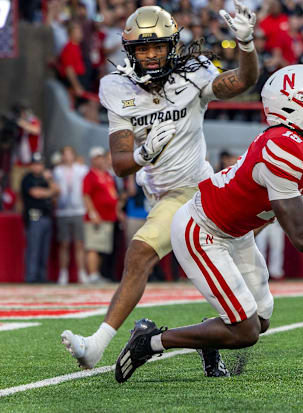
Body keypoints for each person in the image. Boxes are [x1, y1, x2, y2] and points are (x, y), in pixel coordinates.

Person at [113, 64, 303, 383]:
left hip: (236, 233)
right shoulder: (282, 146)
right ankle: (150, 341)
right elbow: (302, 237)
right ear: (290, 105)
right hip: (202, 229)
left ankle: (208, 338)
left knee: (261, 319)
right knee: (246, 330)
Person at [61, 2, 260, 372]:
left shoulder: (193, 74)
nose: (151, 55)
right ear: (129, 51)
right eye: (142, 48)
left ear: (172, 47)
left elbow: (242, 82)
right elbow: (120, 164)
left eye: (158, 47)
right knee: (142, 256)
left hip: (198, 190)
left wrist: (246, 45)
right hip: (166, 194)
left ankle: (113, 345)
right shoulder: (117, 88)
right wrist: (144, 151)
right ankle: (103, 345)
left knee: (257, 323)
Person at [83, 146, 120, 284]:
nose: (101, 160)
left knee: (101, 248)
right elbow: (86, 196)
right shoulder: (90, 176)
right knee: (93, 247)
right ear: (93, 160)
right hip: (96, 218)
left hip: (108, 217)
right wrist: (93, 214)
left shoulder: (106, 175)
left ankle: (96, 274)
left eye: (102, 157)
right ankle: (92, 274)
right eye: (98, 157)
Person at [53, 146, 89, 285]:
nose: (67, 157)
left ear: (74, 156)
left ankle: (81, 272)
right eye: (65, 154)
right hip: (63, 210)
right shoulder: (57, 171)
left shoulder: (81, 169)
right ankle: (63, 273)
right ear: (62, 156)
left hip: (78, 210)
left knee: (79, 243)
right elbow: (55, 187)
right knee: (64, 244)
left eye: (70, 154)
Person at [21, 153, 59, 283]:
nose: (38, 167)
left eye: (40, 164)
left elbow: (58, 191)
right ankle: (31, 277)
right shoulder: (27, 178)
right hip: (34, 217)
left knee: (44, 250)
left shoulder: (45, 179)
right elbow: (36, 193)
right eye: (35, 164)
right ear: (31, 166)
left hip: (46, 216)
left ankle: (42, 277)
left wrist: (49, 180)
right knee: (34, 249)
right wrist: (49, 192)